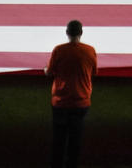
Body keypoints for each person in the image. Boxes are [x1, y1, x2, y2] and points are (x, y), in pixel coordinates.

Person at [46, 20, 98, 168]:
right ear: (81, 33)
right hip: (81, 101)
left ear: (67, 33)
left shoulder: (59, 50)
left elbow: (49, 72)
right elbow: (94, 72)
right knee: (75, 140)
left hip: (61, 101)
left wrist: (45, 70)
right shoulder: (90, 50)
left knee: (59, 140)